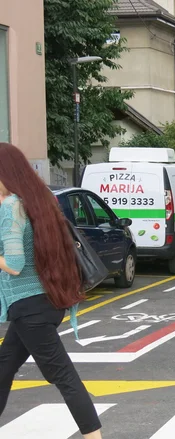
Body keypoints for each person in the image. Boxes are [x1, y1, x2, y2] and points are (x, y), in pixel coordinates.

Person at [0, 143, 103, 438]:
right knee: (4, 366)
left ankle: (94, 436)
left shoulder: (11, 207)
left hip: (29, 307)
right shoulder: (40, 200)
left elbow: (15, 263)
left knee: (63, 376)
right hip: (45, 302)